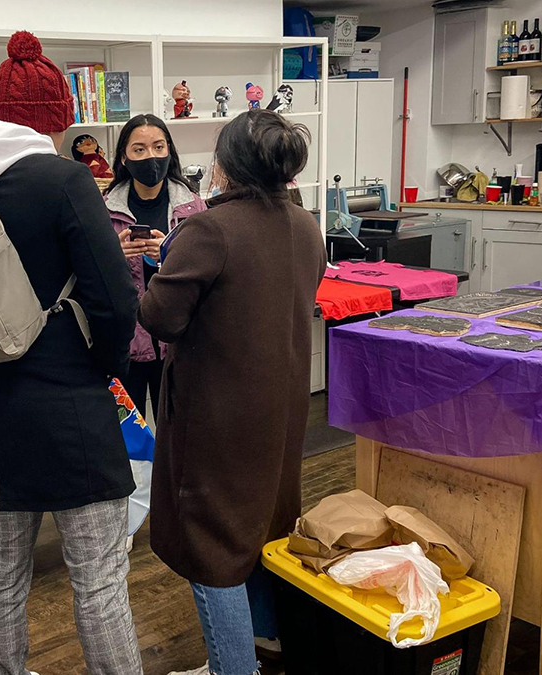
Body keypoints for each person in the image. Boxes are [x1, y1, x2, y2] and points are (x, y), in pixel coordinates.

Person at [0, 31, 142, 675]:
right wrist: (109, 367)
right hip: (67, 403)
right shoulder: (63, 181)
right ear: (54, 119)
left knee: (1, 563)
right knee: (99, 576)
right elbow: (113, 301)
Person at [140, 109, 325, 675]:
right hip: (280, 406)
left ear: (228, 165)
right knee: (264, 529)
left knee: (213, 548)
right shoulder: (304, 224)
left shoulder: (210, 228)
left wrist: (148, 276)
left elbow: (161, 318)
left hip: (219, 415)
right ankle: (266, 645)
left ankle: (232, 667)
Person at [104, 114, 205, 420]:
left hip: (178, 341)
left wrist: (170, 257)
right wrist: (114, 256)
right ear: (124, 157)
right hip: (126, 343)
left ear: (170, 152)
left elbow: (207, 273)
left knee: (177, 431)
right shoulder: (103, 208)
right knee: (127, 436)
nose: (151, 157)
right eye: (139, 149)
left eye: (159, 147)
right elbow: (89, 277)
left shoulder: (193, 207)